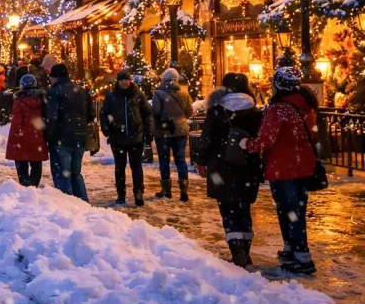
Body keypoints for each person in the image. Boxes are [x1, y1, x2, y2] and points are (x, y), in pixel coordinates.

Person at [242, 66, 320, 274]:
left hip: (282, 168)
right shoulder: (307, 106)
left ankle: (302, 257)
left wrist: (246, 144)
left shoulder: (277, 109)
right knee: (296, 212)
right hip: (304, 166)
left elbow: (266, 140)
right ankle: (291, 250)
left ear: (278, 85)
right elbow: (312, 135)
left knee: (288, 211)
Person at [196, 72, 263, 269]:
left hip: (221, 165)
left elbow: (206, 137)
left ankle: (237, 253)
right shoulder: (255, 112)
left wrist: (201, 160)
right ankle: (245, 251)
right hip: (247, 165)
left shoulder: (216, 110)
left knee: (228, 208)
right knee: (244, 208)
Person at [100, 69, 153, 206]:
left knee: (136, 166)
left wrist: (148, 130)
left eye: (126, 79)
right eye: (122, 79)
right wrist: (106, 128)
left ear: (130, 80)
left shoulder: (138, 95)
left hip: (136, 137)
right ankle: (121, 194)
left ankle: (138, 192)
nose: (124, 82)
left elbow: (147, 113)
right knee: (120, 167)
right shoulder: (111, 97)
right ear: (118, 81)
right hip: (118, 138)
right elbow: (104, 113)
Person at [44, 63, 94, 201]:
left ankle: (67, 202)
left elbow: (51, 118)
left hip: (61, 137)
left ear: (55, 77)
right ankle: (82, 200)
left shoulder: (53, 93)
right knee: (76, 172)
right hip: (80, 136)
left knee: (62, 172)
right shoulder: (82, 91)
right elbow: (91, 114)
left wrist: (49, 137)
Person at [150, 67, 194, 201]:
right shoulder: (185, 93)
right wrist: (179, 119)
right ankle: (183, 190)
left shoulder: (158, 93)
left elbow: (155, 111)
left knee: (164, 160)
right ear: (176, 79)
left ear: (163, 79)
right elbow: (189, 112)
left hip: (163, 131)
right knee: (180, 160)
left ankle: (166, 189)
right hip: (180, 130)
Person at [6, 74, 48, 186]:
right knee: (36, 164)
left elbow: (16, 123)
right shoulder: (41, 101)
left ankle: (25, 187)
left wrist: (14, 138)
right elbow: (44, 119)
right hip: (37, 137)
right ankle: (34, 186)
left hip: (22, 139)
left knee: (21, 165)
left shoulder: (18, 102)